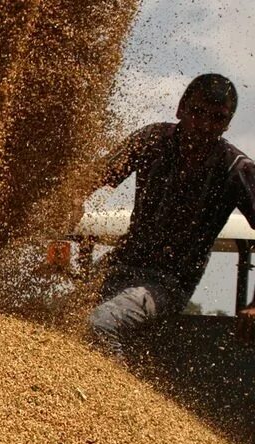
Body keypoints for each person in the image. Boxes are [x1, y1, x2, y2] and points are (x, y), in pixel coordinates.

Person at [86, 73, 255, 354]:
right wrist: (72, 198)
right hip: (119, 265)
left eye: (216, 118)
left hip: (168, 283)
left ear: (226, 125)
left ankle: (112, 393)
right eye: (197, 112)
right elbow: (93, 178)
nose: (203, 125)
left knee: (100, 324)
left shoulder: (235, 169)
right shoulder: (151, 140)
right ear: (181, 108)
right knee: (56, 315)